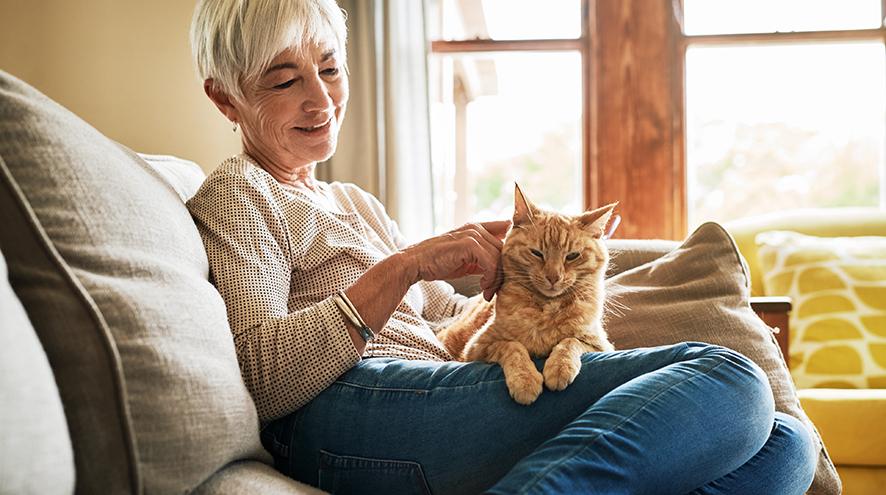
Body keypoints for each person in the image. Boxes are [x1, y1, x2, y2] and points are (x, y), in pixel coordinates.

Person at [185, 1, 817, 493]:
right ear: (225, 98)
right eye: (284, 81)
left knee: (786, 447)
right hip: (348, 412)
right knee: (730, 379)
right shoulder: (240, 192)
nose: (321, 99)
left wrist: (515, 274)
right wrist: (407, 265)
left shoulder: (354, 202)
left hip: (444, 388)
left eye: (329, 69)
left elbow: (445, 323)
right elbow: (264, 380)